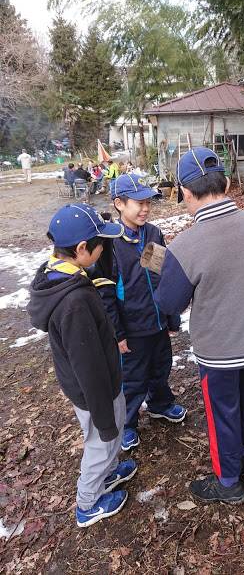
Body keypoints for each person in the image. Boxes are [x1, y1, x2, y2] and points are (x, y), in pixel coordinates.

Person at [154, 147, 244, 504]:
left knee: (221, 414)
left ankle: (227, 483)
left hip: (220, 351)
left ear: (185, 192)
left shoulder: (186, 246)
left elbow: (169, 303)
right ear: (225, 183)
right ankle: (243, 456)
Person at [27, 204, 137, 527]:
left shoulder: (63, 274)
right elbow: (88, 367)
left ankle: (108, 468)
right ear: (80, 249)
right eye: (100, 244)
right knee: (102, 440)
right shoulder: (73, 303)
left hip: (100, 384)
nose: (104, 248)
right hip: (95, 392)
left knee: (110, 437)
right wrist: (103, 417)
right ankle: (87, 502)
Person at [96, 173, 187, 452]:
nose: (145, 208)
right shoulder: (110, 243)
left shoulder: (152, 233)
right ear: (119, 204)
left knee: (160, 367)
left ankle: (160, 404)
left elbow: (160, 276)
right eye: (138, 203)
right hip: (132, 328)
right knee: (133, 379)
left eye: (148, 202)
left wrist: (170, 314)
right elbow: (107, 294)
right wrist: (118, 333)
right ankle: (128, 424)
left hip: (157, 322)